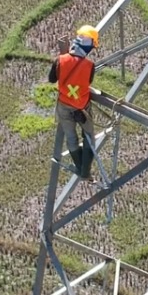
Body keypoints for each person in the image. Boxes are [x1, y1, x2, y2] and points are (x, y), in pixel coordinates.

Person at [48, 25, 99, 180]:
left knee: (71, 138)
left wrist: (63, 56)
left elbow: (52, 79)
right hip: (82, 108)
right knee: (89, 135)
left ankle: (81, 169)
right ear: (89, 46)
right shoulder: (89, 65)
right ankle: (85, 171)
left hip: (64, 106)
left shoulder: (60, 60)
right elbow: (87, 81)